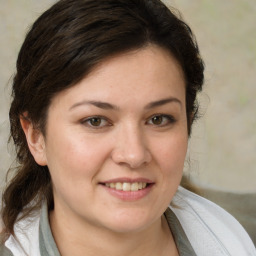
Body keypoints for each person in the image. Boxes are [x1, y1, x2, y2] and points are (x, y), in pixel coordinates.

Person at [0, 0, 255, 255]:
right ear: (36, 137)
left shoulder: (237, 236)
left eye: (158, 119)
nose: (134, 155)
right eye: (95, 121)